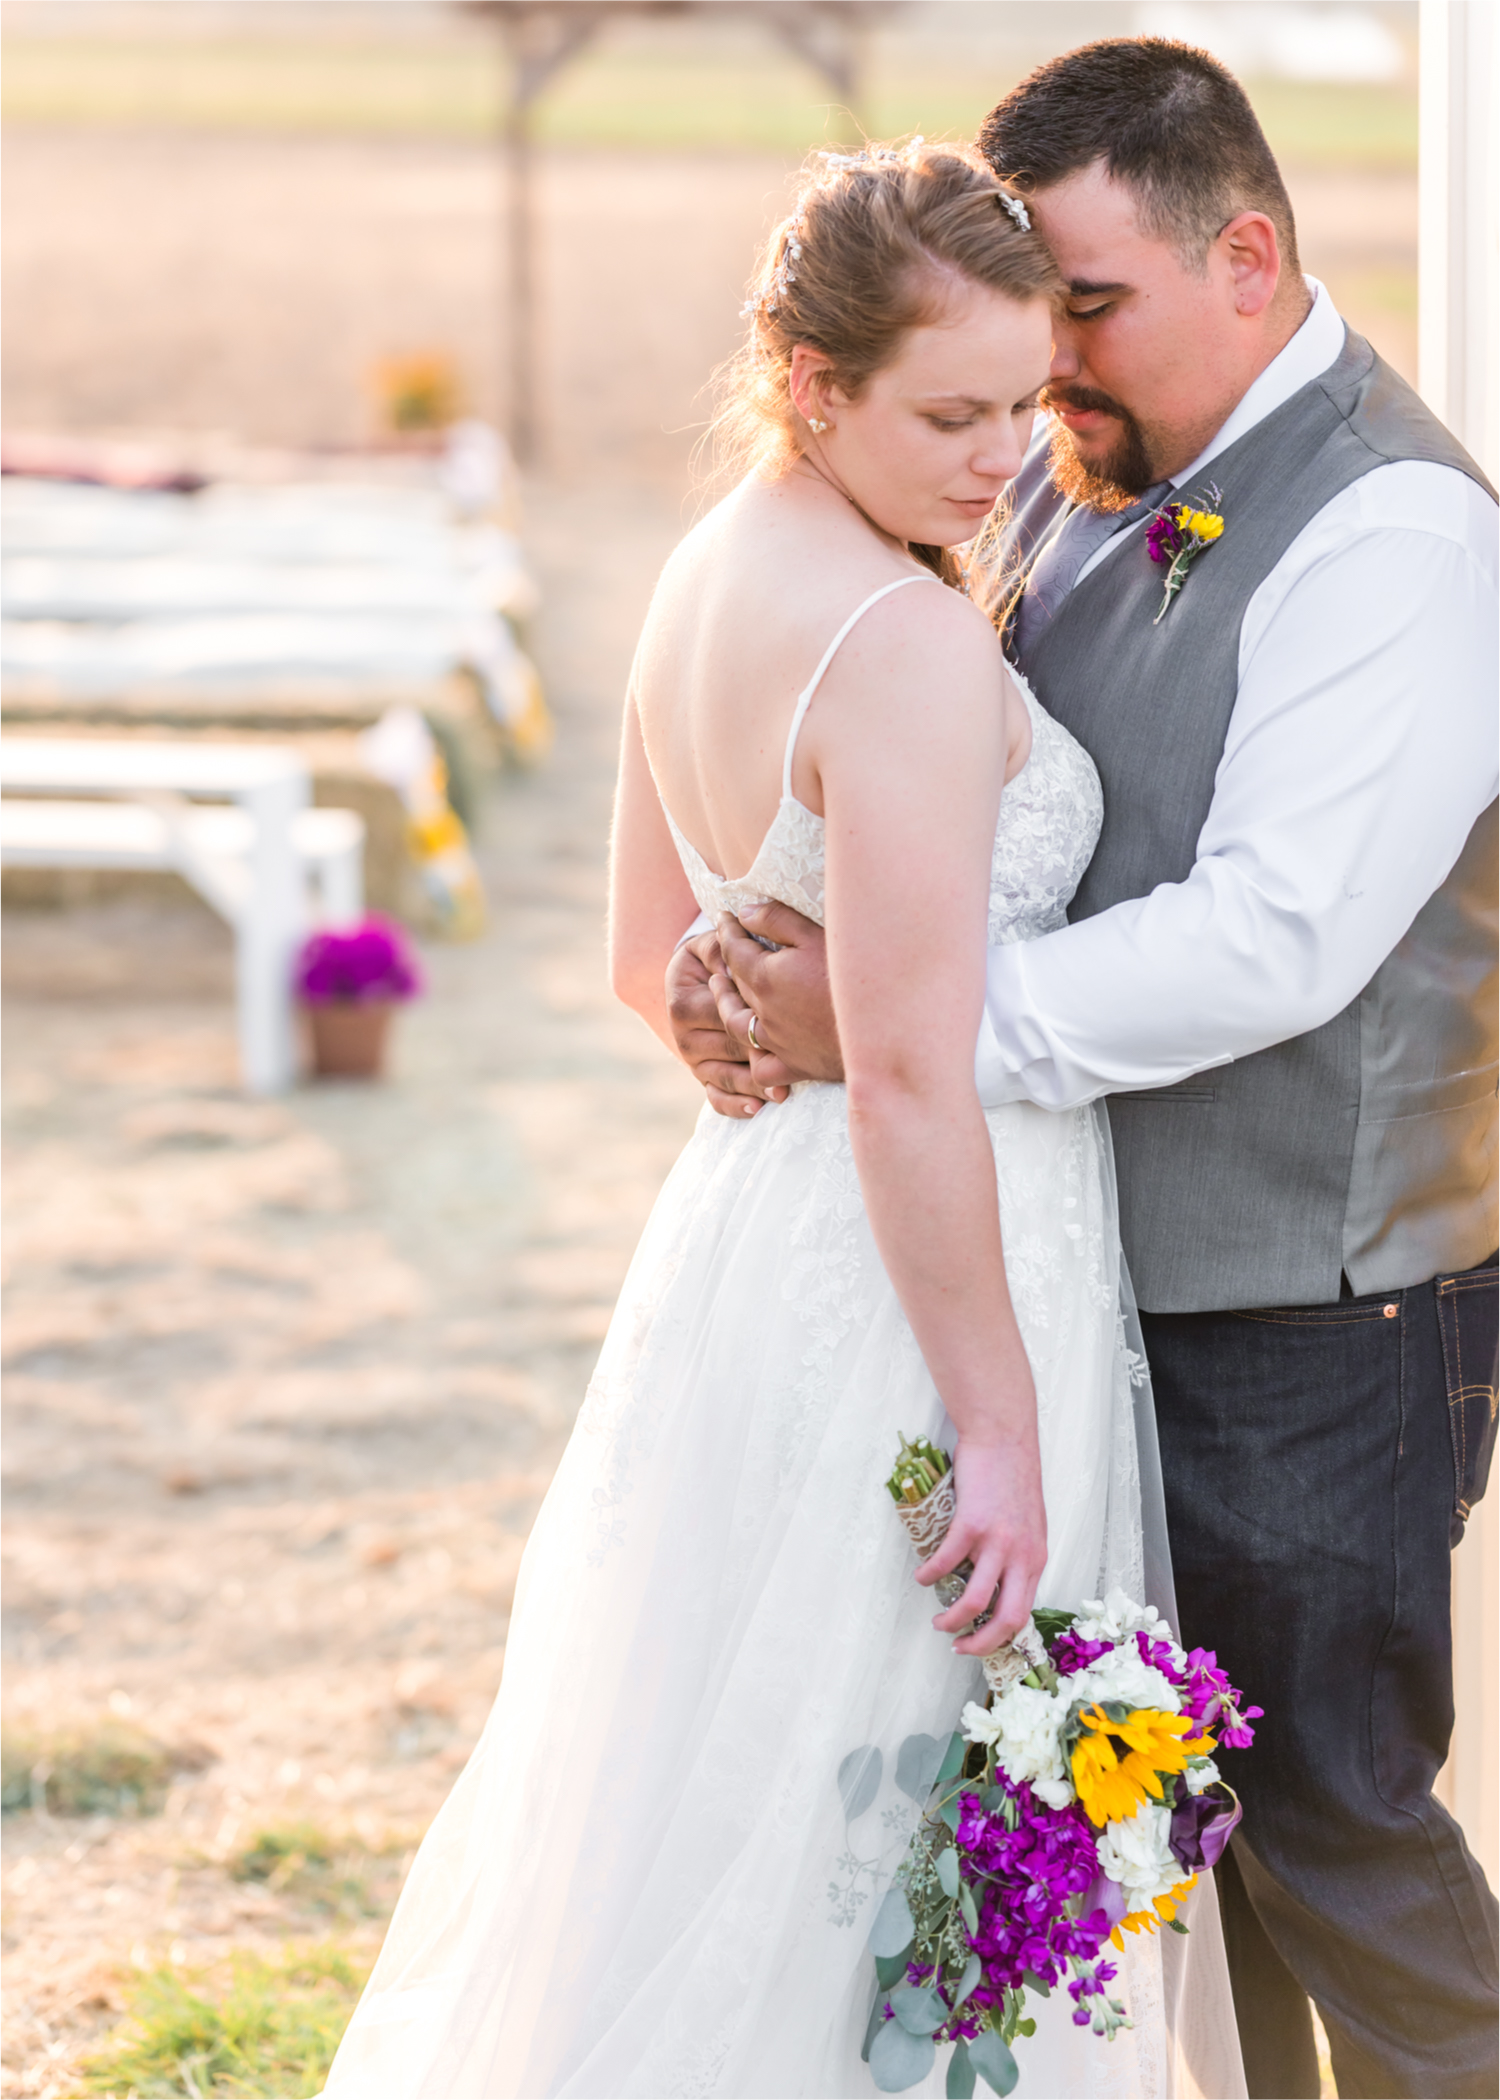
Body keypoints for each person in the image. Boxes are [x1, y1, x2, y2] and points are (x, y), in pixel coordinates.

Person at [324, 140, 1244, 2099]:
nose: (1004, 457)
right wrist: (1000, 1426)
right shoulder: (901, 641)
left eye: (1023, 403)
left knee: (725, 1781)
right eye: (950, 413)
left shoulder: (704, 571)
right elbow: (912, 1075)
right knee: (888, 1816)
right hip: (929, 1290)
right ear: (813, 384)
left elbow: (647, 961)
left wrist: (742, 1040)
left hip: (749, 1249)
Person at [678, 40, 1499, 2100]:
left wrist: (905, 1027)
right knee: (1171, 1878)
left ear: (1246, 256)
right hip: (1082, 1282)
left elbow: (1276, 934)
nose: (1051, 365)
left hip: (1313, 1312)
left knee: (1331, 1839)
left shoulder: (1399, 533)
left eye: (1092, 305)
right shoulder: (1063, 449)